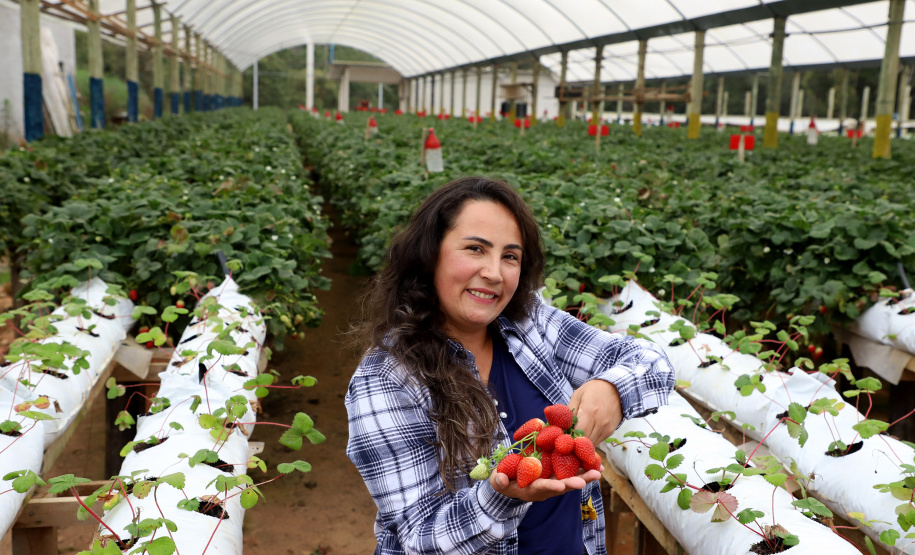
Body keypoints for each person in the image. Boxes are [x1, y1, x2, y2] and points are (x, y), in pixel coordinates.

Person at [346, 177, 675, 554]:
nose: (494, 272)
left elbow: (653, 361)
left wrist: (613, 389)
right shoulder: (386, 378)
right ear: (429, 254)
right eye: (475, 249)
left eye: (510, 256)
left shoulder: (530, 324)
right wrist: (503, 493)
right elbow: (422, 537)